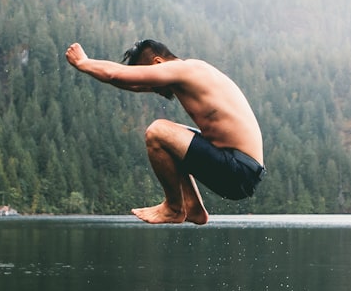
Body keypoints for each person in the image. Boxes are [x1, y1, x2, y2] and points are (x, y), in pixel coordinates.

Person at [65, 39, 265, 225]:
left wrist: (84, 62)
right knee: (174, 138)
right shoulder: (191, 73)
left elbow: (114, 74)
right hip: (242, 168)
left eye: (151, 81)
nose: (153, 89)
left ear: (158, 62)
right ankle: (192, 207)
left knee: (158, 132)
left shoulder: (182, 70)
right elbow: (129, 83)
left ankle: (174, 207)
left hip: (239, 169)